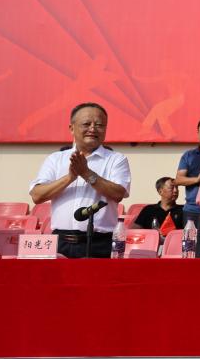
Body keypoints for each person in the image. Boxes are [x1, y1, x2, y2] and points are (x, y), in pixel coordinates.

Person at [28, 102, 131, 258]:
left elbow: (118, 193)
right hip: (60, 242)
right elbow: (37, 195)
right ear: (72, 128)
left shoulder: (116, 159)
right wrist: (70, 177)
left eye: (99, 125)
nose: (93, 129)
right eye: (86, 124)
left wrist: (86, 173)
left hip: (99, 243)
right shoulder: (56, 159)